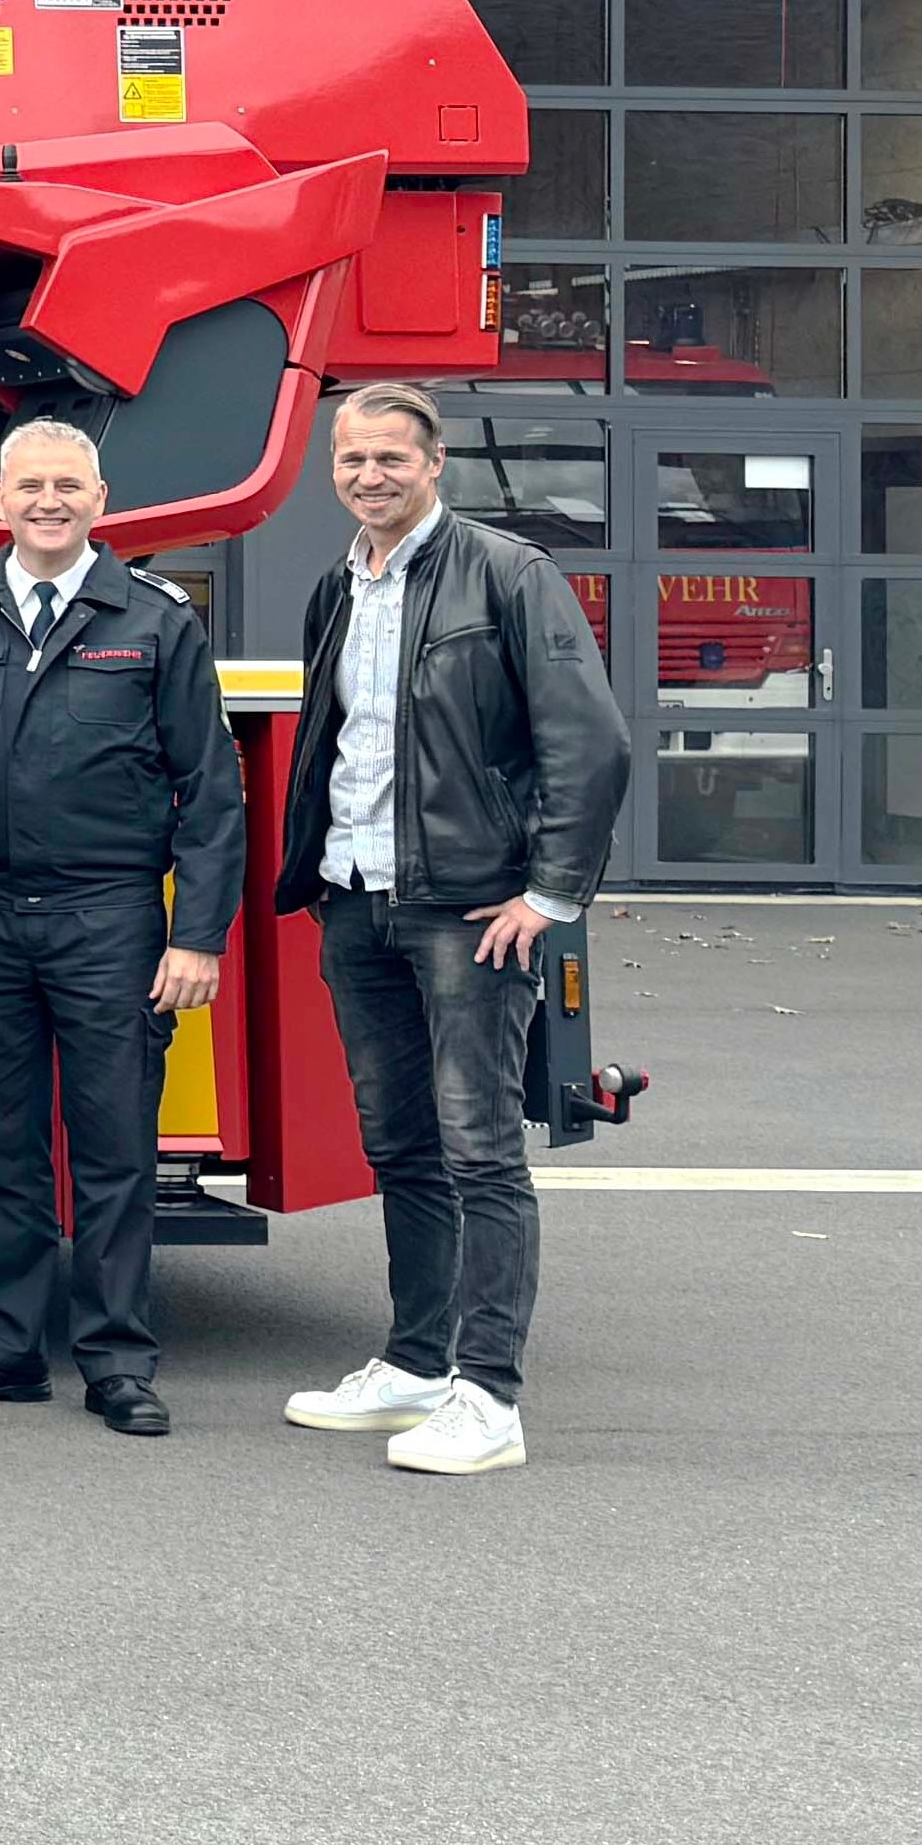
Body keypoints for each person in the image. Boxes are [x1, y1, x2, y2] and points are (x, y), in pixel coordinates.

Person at [271, 382, 625, 1476]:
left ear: (434, 465)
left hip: (470, 911)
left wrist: (548, 894)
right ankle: (417, 1362)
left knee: (479, 1154)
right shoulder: (339, 581)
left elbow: (591, 744)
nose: (368, 474)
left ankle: (489, 1395)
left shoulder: (509, 573)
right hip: (356, 893)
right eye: (350, 458)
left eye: (389, 457)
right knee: (401, 1145)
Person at [0, 421, 240, 1439]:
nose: (47, 500)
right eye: (29, 484)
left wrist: (196, 935)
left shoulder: (156, 618)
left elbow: (209, 792)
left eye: (66, 485)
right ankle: (1, 1346)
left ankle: (118, 1360)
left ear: (99, 498)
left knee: (115, 1147)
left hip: (109, 918)